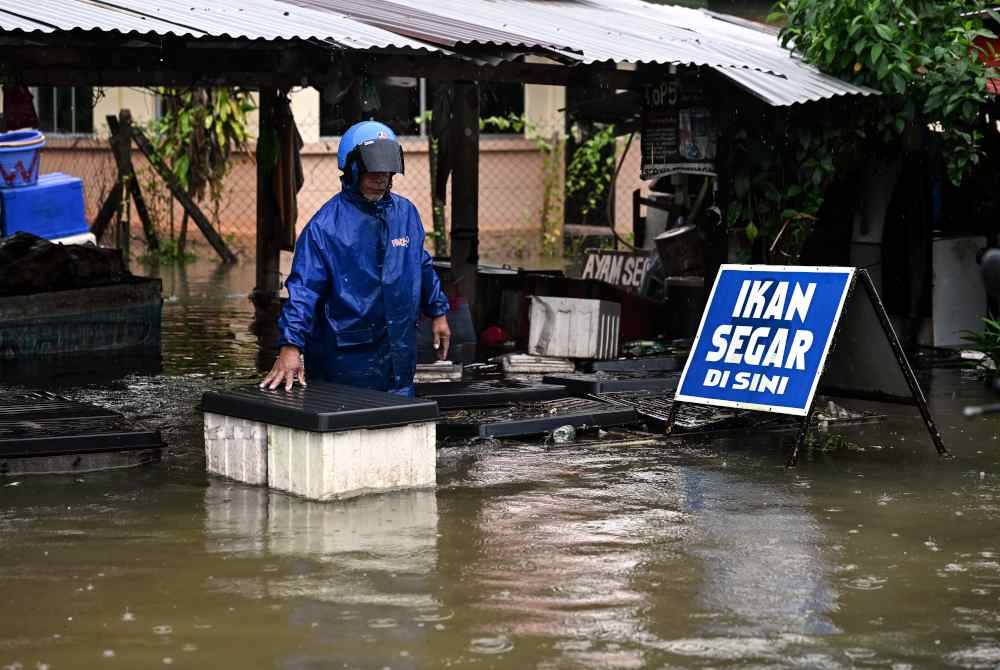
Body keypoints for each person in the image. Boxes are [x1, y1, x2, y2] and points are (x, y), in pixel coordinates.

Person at [261, 120, 450, 396]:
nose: (381, 176)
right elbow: (304, 290)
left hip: (398, 355)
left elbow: (420, 264)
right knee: (348, 424)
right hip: (345, 361)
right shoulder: (325, 227)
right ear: (352, 168)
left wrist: (438, 312)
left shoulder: (406, 214)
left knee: (398, 422)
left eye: (387, 168)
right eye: (372, 168)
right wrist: (291, 347)